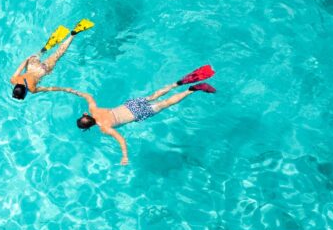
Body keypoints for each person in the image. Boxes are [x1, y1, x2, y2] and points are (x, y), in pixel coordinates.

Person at [43, 65, 215, 166]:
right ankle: (178, 82)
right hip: (131, 104)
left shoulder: (105, 128)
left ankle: (192, 89)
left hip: (136, 114)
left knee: (165, 103)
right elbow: (88, 96)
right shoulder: (95, 110)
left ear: (89, 128)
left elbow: (121, 139)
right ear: (86, 114)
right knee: (154, 95)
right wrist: (73, 91)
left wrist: (124, 156)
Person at [10, 19, 93, 99]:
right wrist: (27, 59)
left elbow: (49, 88)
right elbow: (21, 67)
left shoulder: (32, 89)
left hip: (41, 70)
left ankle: (73, 34)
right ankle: (43, 50)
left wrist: (65, 89)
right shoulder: (13, 80)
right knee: (39, 53)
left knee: (58, 53)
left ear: (25, 93)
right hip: (32, 65)